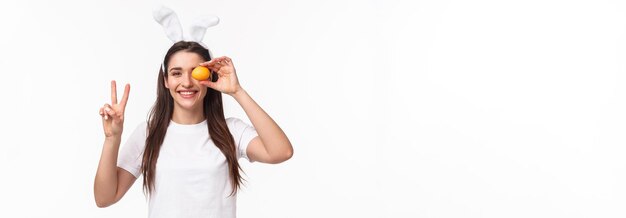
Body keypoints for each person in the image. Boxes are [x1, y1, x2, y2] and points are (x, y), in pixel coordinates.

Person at [93, 41, 294, 217]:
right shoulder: (148, 134)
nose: (187, 82)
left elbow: (281, 152)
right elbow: (104, 198)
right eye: (176, 73)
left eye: (195, 72)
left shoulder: (231, 131)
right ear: (166, 80)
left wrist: (237, 91)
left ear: (209, 77)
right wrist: (112, 139)